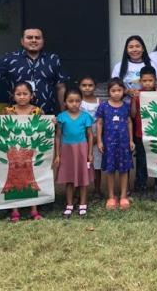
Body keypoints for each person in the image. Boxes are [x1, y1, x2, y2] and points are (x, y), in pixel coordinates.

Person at [0, 81, 46, 222]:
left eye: (25, 94)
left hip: (29, 152)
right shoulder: (7, 111)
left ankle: (34, 209)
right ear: (13, 95)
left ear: (32, 95)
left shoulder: (38, 111)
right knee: (12, 178)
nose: (22, 97)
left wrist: (51, 122)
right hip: (13, 152)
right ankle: (15, 210)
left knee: (32, 177)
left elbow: (44, 128)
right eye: (18, 94)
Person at [0, 28, 68, 115]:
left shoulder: (53, 59)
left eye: (37, 38)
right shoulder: (10, 59)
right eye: (29, 37)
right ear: (22, 41)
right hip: (15, 116)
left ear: (43, 41)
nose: (34, 40)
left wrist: (64, 113)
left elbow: (61, 87)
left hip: (46, 116)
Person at [95, 79, 135, 211]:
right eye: (113, 91)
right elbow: (99, 123)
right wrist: (99, 141)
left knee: (124, 170)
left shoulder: (126, 106)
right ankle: (111, 196)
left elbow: (129, 122)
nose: (116, 93)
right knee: (110, 170)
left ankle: (123, 196)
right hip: (109, 144)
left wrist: (131, 140)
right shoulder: (103, 106)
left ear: (123, 91)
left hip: (123, 143)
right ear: (108, 92)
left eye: (119, 90)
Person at [54, 89, 95, 219]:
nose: (74, 104)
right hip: (67, 151)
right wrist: (57, 155)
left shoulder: (85, 116)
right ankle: (69, 204)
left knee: (83, 179)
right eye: (71, 101)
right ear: (65, 102)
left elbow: (90, 135)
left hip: (82, 150)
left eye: (77, 101)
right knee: (69, 179)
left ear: (81, 102)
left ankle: (83, 204)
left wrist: (90, 153)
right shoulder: (61, 117)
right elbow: (58, 136)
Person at [130, 65, 157, 196]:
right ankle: (140, 185)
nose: (147, 83)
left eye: (150, 80)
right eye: (144, 81)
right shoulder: (137, 95)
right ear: (140, 81)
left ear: (155, 80)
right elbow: (133, 115)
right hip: (140, 133)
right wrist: (134, 100)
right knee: (141, 160)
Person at [78, 76, 103, 200]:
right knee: (80, 163)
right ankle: (80, 191)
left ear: (95, 87)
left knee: (97, 164)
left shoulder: (99, 102)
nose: (87, 88)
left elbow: (102, 121)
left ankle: (97, 190)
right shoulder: (77, 101)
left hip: (96, 134)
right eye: (84, 85)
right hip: (80, 135)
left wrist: (97, 138)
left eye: (90, 85)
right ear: (79, 87)